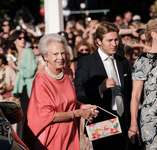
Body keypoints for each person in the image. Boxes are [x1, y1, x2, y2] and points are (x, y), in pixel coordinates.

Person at [25, 33, 98, 150]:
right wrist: (78, 113)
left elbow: (68, 101)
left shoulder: (68, 73)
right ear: (45, 56)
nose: (61, 57)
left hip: (71, 132)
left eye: (63, 53)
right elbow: (48, 116)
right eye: (55, 54)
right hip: (52, 136)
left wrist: (83, 106)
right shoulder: (41, 80)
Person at [74, 21, 132, 150]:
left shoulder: (122, 61)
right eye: (109, 40)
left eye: (116, 40)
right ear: (98, 41)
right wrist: (100, 88)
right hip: (101, 121)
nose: (114, 44)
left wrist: (132, 122)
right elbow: (79, 93)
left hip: (123, 120)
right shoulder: (86, 63)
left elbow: (129, 92)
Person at [128, 18, 157, 149]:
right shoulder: (143, 61)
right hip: (151, 120)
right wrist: (134, 123)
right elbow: (136, 95)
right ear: (154, 34)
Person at [7, 30, 38, 139]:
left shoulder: (28, 52)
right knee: (23, 116)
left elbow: (29, 72)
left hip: (28, 88)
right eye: (20, 38)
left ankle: (28, 139)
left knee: (28, 116)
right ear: (14, 40)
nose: (23, 40)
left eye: (24, 37)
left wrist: (15, 67)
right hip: (21, 88)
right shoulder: (16, 54)